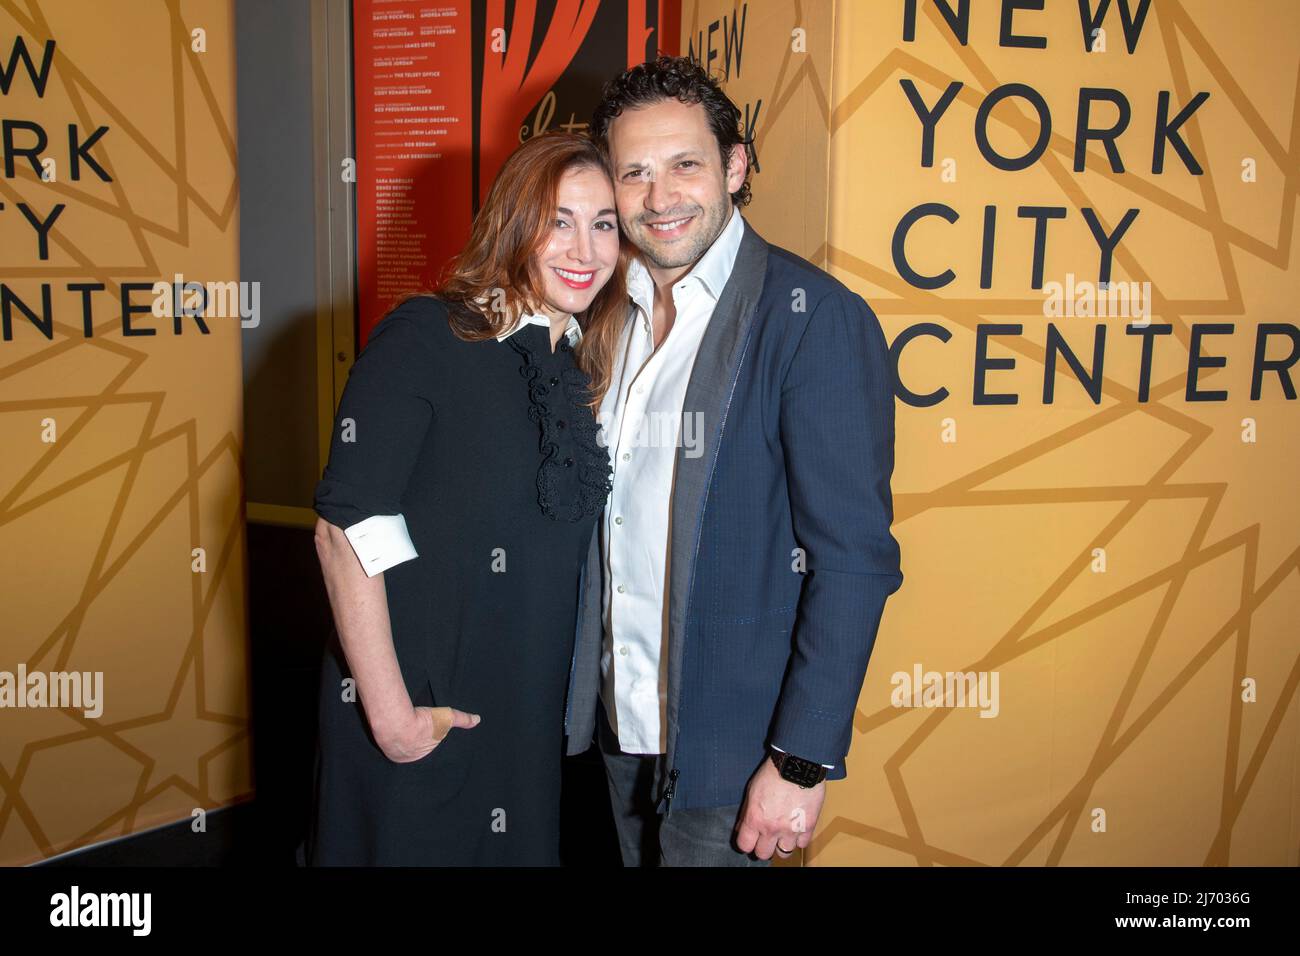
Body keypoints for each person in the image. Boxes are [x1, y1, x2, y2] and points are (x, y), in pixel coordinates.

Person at [563, 56, 904, 866]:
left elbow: (853, 561)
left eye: (685, 164)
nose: (660, 197)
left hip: (733, 753)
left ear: (736, 165)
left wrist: (798, 761)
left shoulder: (812, 319)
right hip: (622, 726)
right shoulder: (609, 312)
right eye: (634, 173)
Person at [306, 131, 625, 865]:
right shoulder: (430, 335)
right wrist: (390, 717)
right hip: (419, 710)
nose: (584, 250)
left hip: (523, 722)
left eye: (602, 223)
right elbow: (347, 525)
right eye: (559, 220)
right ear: (514, 224)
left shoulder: (576, 364)